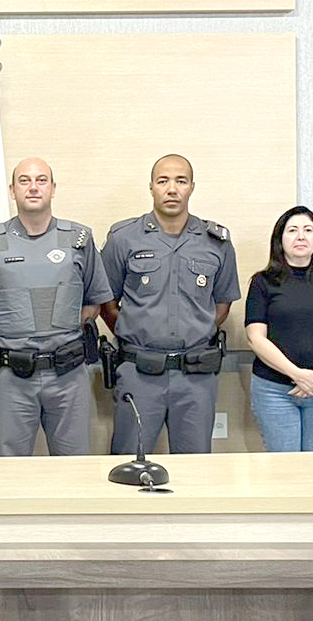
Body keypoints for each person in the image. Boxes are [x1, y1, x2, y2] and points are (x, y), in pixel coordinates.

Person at [0, 158, 111, 455]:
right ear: (12, 191)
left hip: (69, 376)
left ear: (53, 188)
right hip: (12, 376)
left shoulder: (78, 240)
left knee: (74, 468)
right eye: (24, 181)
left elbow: (94, 301)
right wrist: (2, 338)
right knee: (7, 469)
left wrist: (64, 331)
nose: (33, 187)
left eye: (41, 180)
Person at [101, 154, 241, 455]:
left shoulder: (216, 242)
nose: (172, 189)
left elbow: (221, 304)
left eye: (181, 181)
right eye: (163, 181)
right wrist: (135, 333)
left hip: (196, 377)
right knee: (130, 463)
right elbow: (107, 302)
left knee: (195, 467)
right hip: (139, 373)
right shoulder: (123, 239)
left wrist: (194, 331)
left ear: (192, 187)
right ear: (151, 187)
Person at [244, 207, 313, 452]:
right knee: (284, 466)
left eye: (308, 230)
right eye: (292, 230)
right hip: (275, 391)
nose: (300, 236)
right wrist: (297, 375)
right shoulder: (262, 283)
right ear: (280, 241)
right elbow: (255, 338)